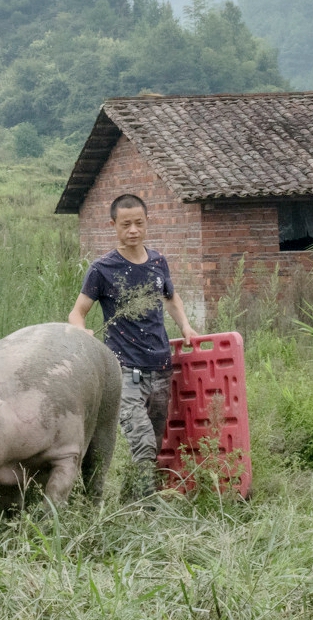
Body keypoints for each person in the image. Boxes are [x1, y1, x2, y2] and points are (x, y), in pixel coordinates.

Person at [67, 193, 198, 500]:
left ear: (147, 222)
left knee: (152, 445)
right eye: (126, 224)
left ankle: (131, 503)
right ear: (113, 225)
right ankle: (148, 511)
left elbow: (171, 298)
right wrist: (81, 331)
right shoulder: (102, 268)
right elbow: (77, 312)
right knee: (142, 443)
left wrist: (186, 326)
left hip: (161, 367)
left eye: (139, 223)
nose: (133, 230)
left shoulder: (158, 262)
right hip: (124, 369)